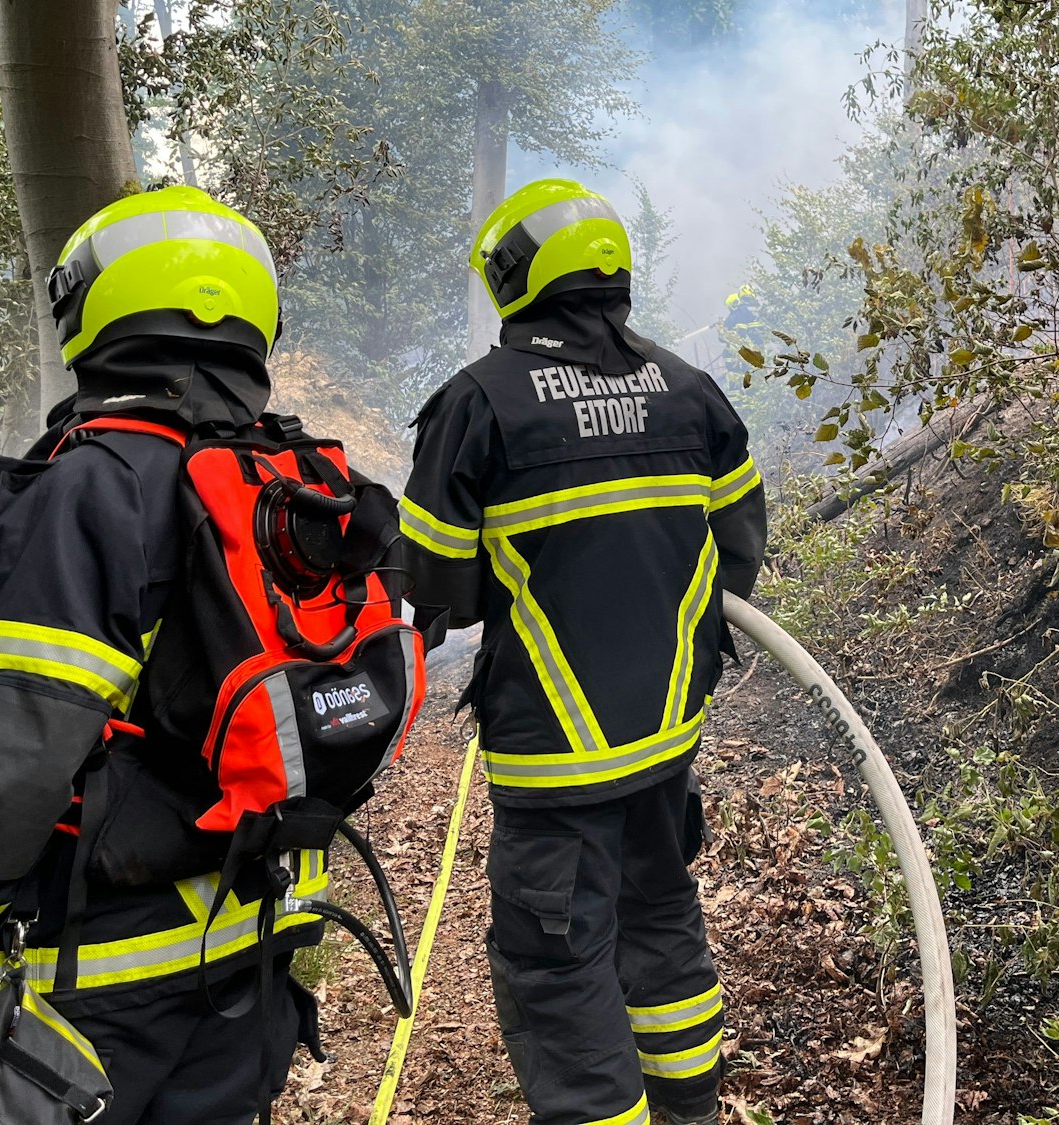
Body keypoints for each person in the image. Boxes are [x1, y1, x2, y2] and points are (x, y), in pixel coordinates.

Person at [0, 186, 328, 1124]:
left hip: (94, 989)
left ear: (93, 307)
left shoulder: (92, 487)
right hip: (250, 951)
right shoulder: (283, 478)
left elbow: (5, 767)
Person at [401, 178, 768, 1125]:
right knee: (659, 917)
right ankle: (690, 1110)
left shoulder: (480, 402)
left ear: (514, 277)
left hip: (555, 753)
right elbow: (739, 551)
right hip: (665, 738)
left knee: (557, 965)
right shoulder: (691, 393)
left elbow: (439, 584)